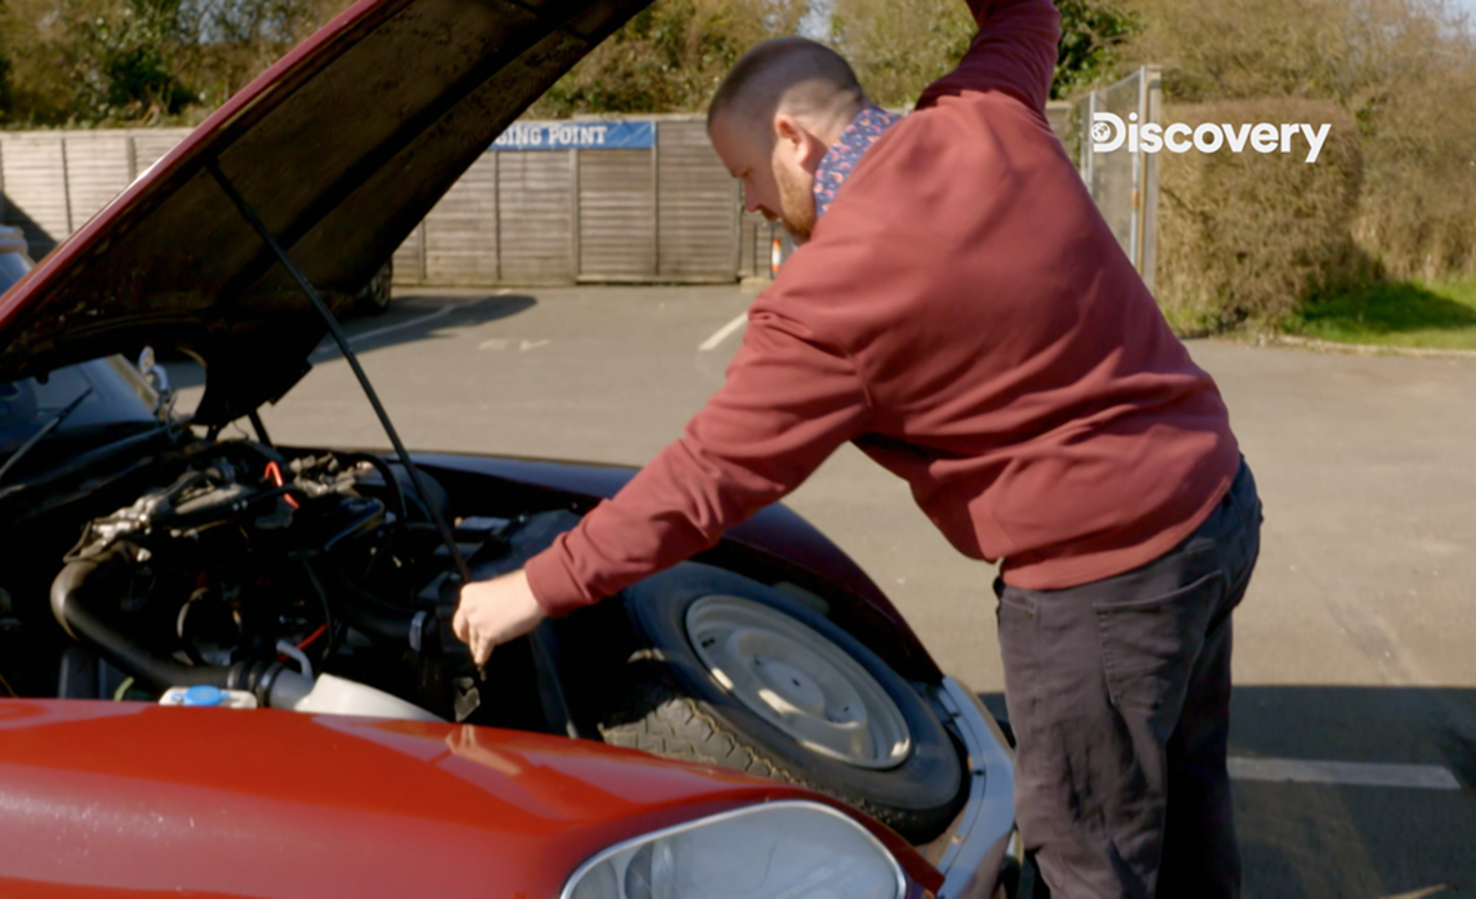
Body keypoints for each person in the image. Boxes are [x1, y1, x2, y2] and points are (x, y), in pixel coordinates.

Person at [454, 0, 1262, 895]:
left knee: (1088, 861)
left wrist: (530, 587)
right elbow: (1027, 12)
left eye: (746, 174)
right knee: (1187, 809)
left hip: (1101, 588)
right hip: (1215, 509)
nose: (753, 202)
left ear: (793, 137)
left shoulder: (831, 299)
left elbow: (701, 483)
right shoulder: (987, 110)